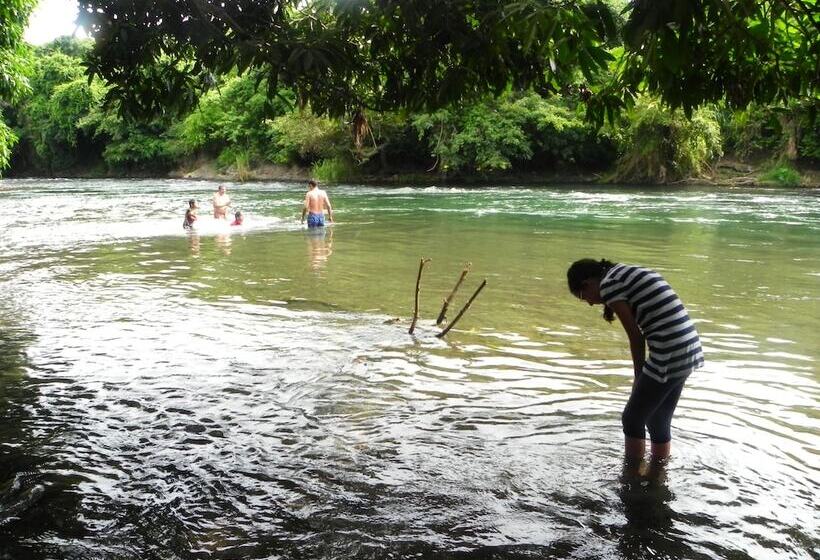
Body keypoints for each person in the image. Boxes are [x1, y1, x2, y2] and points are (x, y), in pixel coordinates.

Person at [567, 258, 704, 463]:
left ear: (587, 283)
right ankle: (659, 472)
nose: (589, 303)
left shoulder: (609, 285)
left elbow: (636, 337)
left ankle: (632, 478)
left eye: (583, 296)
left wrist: (638, 377)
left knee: (632, 419)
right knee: (658, 419)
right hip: (688, 348)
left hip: (668, 351)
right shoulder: (623, 272)